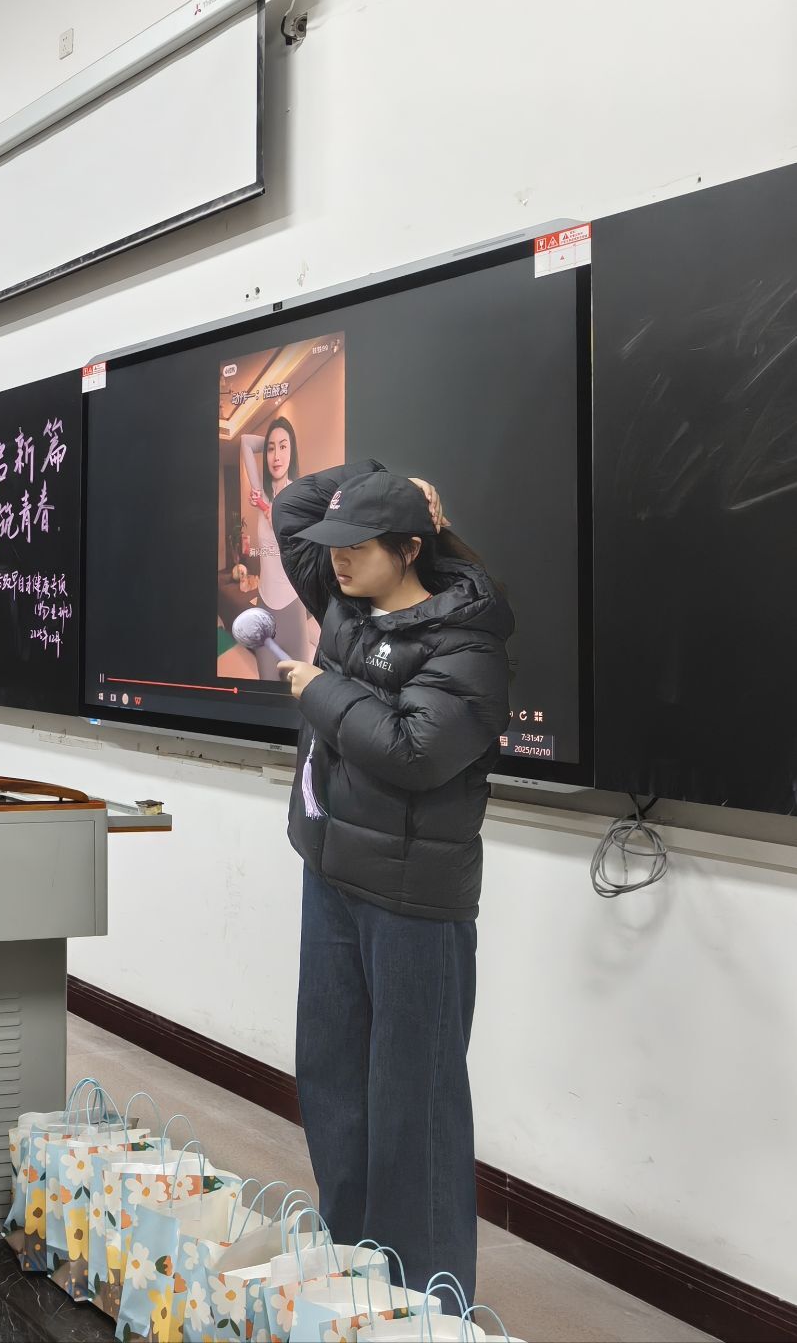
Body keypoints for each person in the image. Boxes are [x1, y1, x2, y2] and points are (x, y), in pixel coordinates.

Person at [271, 463, 513, 1305]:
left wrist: (318, 689)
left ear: (409, 549)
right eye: (334, 547)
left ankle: (426, 1306)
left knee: (415, 1108)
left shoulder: (467, 642)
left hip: (413, 901)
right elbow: (295, 505)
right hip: (331, 874)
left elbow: (413, 753)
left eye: (358, 545)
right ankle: (351, 1279)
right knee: (333, 1086)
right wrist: (383, 479)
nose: (335, 559)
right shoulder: (346, 600)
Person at [240, 415, 317, 665]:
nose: (276, 456)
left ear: (292, 452)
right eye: (271, 449)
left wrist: (282, 521)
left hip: (293, 607)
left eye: (284, 447)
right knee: (266, 679)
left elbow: (308, 552)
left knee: (297, 684)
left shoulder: (300, 494)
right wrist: (272, 440)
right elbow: (245, 442)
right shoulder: (261, 492)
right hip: (264, 606)